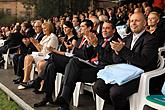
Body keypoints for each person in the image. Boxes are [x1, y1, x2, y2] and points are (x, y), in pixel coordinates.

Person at [93, 12, 159, 110]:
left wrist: (122, 50)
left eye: (137, 20)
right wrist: (117, 52)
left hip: (141, 75)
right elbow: (116, 60)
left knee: (115, 92)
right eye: (131, 21)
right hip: (124, 73)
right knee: (98, 86)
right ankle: (125, 106)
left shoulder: (150, 39)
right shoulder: (126, 38)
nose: (133, 23)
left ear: (145, 23)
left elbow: (143, 61)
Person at [56, 20, 122, 110]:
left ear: (114, 30)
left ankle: (64, 100)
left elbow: (109, 59)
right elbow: (87, 55)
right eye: (103, 28)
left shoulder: (116, 41)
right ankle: (64, 100)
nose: (104, 30)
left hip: (104, 70)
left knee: (71, 73)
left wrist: (95, 45)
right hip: (93, 65)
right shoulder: (101, 39)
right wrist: (90, 45)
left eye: (107, 28)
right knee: (73, 62)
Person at [33, 19, 98, 107]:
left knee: (54, 56)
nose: (80, 28)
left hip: (87, 66)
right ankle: (47, 97)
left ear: (89, 28)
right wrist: (71, 50)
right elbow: (77, 54)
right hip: (74, 63)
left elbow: (86, 56)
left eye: (82, 26)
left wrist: (73, 49)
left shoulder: (95, 38)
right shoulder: (80, 39)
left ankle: (38, 80)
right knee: (51, 65)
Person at [17, 22, 58, 90]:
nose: (43, 30)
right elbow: (40, 49)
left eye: (45, 28)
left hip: (48, 56)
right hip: (42, 54)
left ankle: (41, 85)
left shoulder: (53, 37)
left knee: (39, 62)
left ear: (49, 28)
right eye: (43, 28)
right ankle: (25, 80)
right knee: (27, 57)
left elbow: (48, 50)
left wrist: (36, 43)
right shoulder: (45, 37)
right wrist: (35, 43)